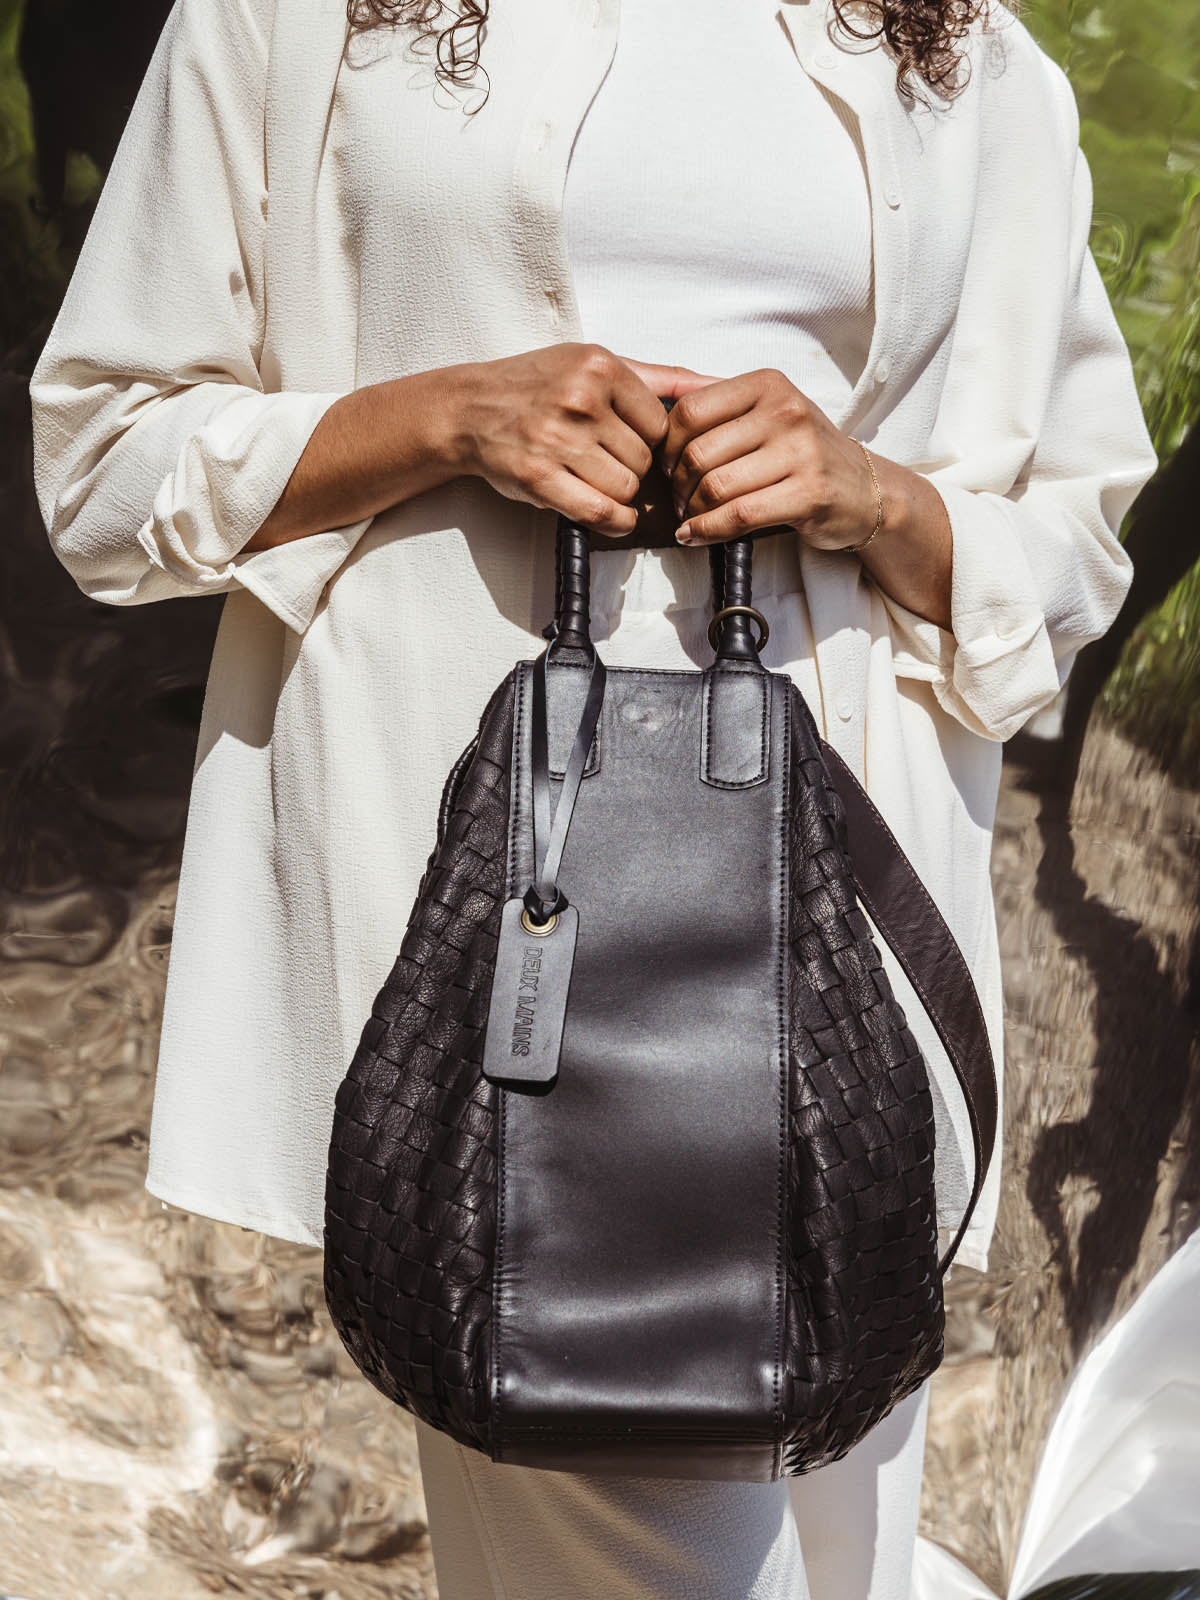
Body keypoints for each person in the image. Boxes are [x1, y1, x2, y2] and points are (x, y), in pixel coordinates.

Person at [27, 0, 1157, 1590]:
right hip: (503, 935)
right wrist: (438, 417)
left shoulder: (953, 44)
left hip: (846, 931)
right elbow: (104, 464)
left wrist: (873, 494)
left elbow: (1073, 548)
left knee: (853, 1551)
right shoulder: (301, 18)